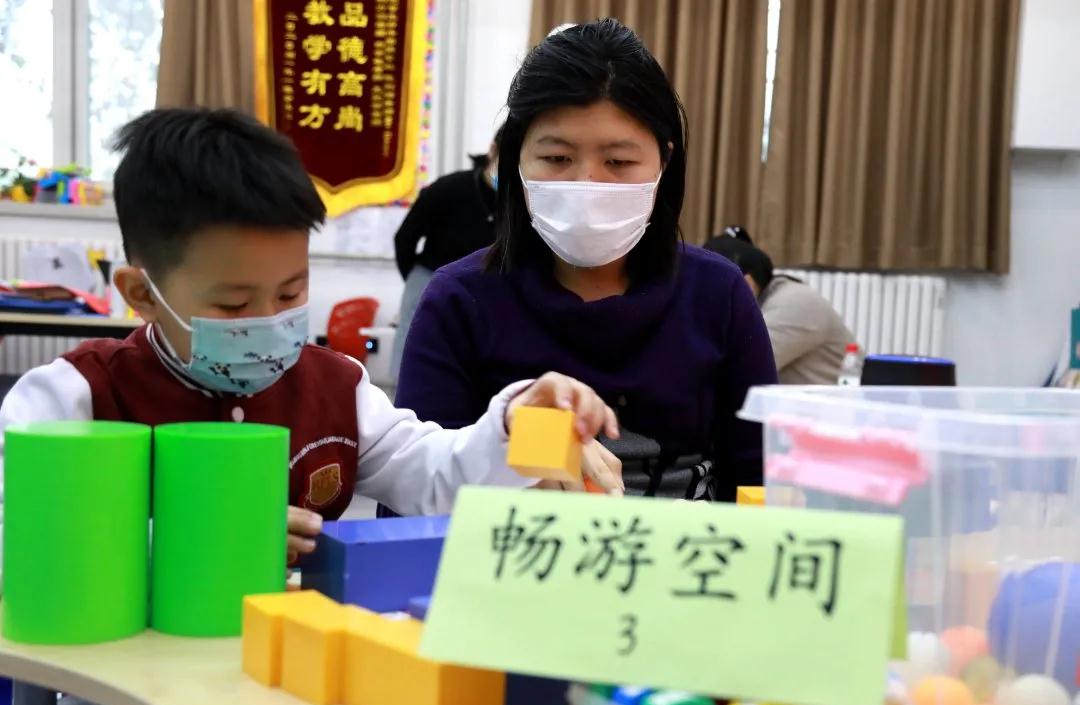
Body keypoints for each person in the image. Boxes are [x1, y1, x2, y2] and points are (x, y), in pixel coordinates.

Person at [0, 108, 623, 567]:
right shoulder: (73, 398)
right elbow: (16, 534)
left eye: (291, 292)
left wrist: (514, 423)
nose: (268, 319)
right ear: (141, 293)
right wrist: (192, 541)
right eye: (233, 303)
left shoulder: (335, 387)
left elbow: (436, 476)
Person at [395, 19, 778, 503]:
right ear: (516, 160)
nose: (587, 184)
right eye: (557, 159)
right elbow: (411, 497)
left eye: (618, 162)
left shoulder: (717, 294)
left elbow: (761, 481)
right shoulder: (459, 299)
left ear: (663, 161)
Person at [390, 125, 503, 380]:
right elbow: (405, 238)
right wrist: (414, 279)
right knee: (412, 348)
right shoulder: (449, 187)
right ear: (493, 151)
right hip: (429, 276)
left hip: (484, 285)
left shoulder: (518, 199)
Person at [707, 226, 856, 385]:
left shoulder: (795, 302)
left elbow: (736, 370)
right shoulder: (764, 299)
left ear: (747, 284)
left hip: (838, 399)